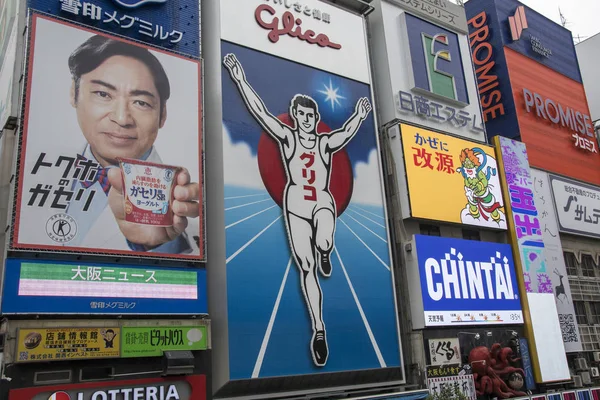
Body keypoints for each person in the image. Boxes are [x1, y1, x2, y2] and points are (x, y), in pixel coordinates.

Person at [224, 53, 372, 367]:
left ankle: (326, 250)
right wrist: (239, 79)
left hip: (320, 200)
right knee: (305, 269)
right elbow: (260, 112)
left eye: (310, 115)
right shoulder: (288, 138)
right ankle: (319, 329)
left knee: (324, 240)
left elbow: (346, 133)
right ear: (295, 115)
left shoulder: (324, 143)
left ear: (315, 118)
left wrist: (359, 115)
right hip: (295, 205)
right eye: (301, 114)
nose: (306, 119)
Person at [64, 35, 200, 254]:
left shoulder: (187, 205)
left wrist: (155, 245)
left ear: (163, 114)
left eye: (141, 102)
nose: (122, 118)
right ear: (74, 92)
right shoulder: (33, 171)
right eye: (103, 94)